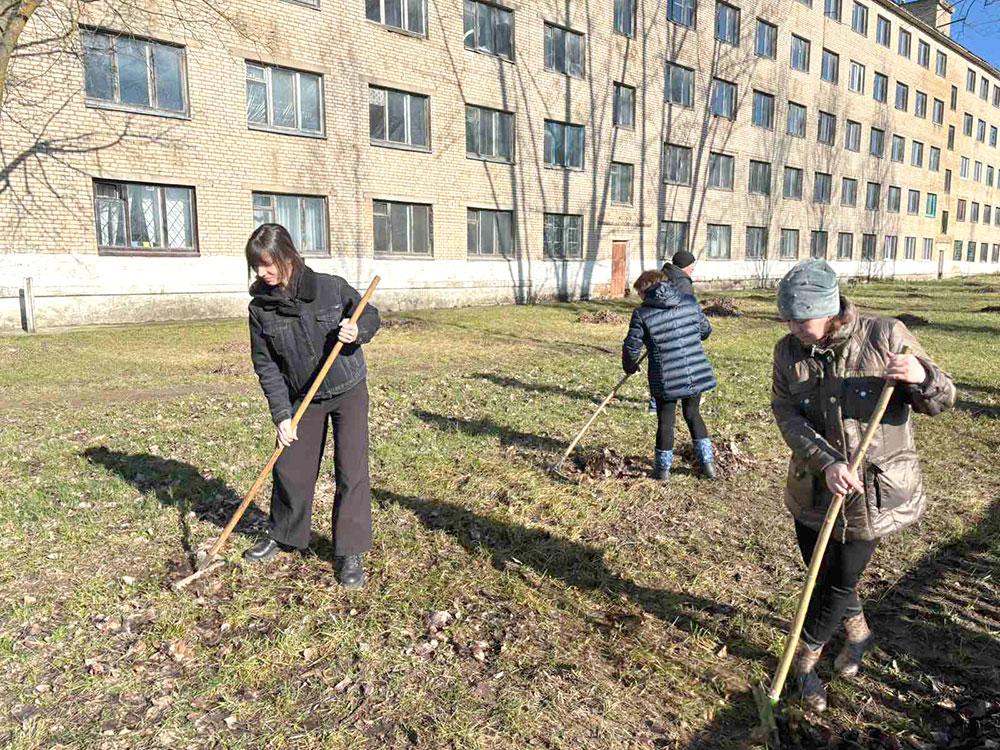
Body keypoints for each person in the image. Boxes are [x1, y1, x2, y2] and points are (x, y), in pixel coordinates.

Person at [771, 259, 955, 712]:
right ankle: (858, 635)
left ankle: (804, 664)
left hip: (870, 493)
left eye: (801, 320)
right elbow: (786, 413)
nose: (794, 329)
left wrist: (922, 378)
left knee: (837, 582)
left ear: (829, 310)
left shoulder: (886, 335)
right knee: (820, 571)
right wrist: (827, 461)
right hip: (814, 486)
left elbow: (944, 398)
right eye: (788, 319)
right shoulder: (788, 351)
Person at [243, 223, 381, 589]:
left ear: (288, 256)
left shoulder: (329, 287)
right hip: (303, 396)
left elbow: (370, 314)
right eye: (256, 266)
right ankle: (285, 534)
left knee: (351, 469)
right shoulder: (261, 309)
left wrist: (358, 331)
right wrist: (282, 415)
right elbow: (266, 366)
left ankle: (349, 550)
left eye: (268, 264)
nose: (262, 272)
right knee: (290, 467)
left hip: (348, 388)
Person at [623, 270, 717, 482]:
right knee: (693, 414)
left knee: (666, 422)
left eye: (639, 293)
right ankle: (708, 466)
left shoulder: (642, 314)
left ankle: (662, 471)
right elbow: (705, 331)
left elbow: (631, 347)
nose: (640, 298)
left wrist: (630, 366)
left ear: (646, 289)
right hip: (694, 371)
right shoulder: (689, 302)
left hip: (666, 377)